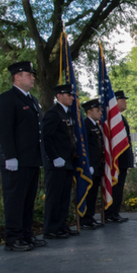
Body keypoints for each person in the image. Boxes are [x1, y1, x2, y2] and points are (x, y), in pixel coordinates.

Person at [0, 61, 46, 252]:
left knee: (27, 200)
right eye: (29, 74)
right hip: (15, 161)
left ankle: (26, 234)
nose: (33, 77)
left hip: (31, 160)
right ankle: (13, 238)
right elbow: (4, 129)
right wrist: (9, 155)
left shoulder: (32, 100)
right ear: (17, 76)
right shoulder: (7, 98)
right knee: (15, 200)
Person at [41, 84, 79, 239]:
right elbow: (46, 138)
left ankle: (61, 225)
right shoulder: (53, 114)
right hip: (56, 163)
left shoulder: (68, 114)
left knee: (64, 197)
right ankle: (50, 228)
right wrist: (54, 157)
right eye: (69, 95)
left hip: (67, 162)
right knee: (54, 197)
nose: (72, 97)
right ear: (59, 96)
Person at [106, 90, 132, 223]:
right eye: (123, 99)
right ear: (115, 101)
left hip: (122, 162)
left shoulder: (121, 118)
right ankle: (110, 213)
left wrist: (128, 162)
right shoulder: (112, 119)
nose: (125, 102)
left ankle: (115, 212)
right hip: (116, 161)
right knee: (115, 188)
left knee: (119, 189)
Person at [81, 98, 105, 229]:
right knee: (88, 193)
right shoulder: (85, 125)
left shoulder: (95, 126)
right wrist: (87, 164)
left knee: (93, 193)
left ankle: (89, 217)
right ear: (89, 111)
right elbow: (84, 146)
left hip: (97, 165)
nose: (100, 113)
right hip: (90, 166)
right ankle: (84, 218)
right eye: (98, 110)